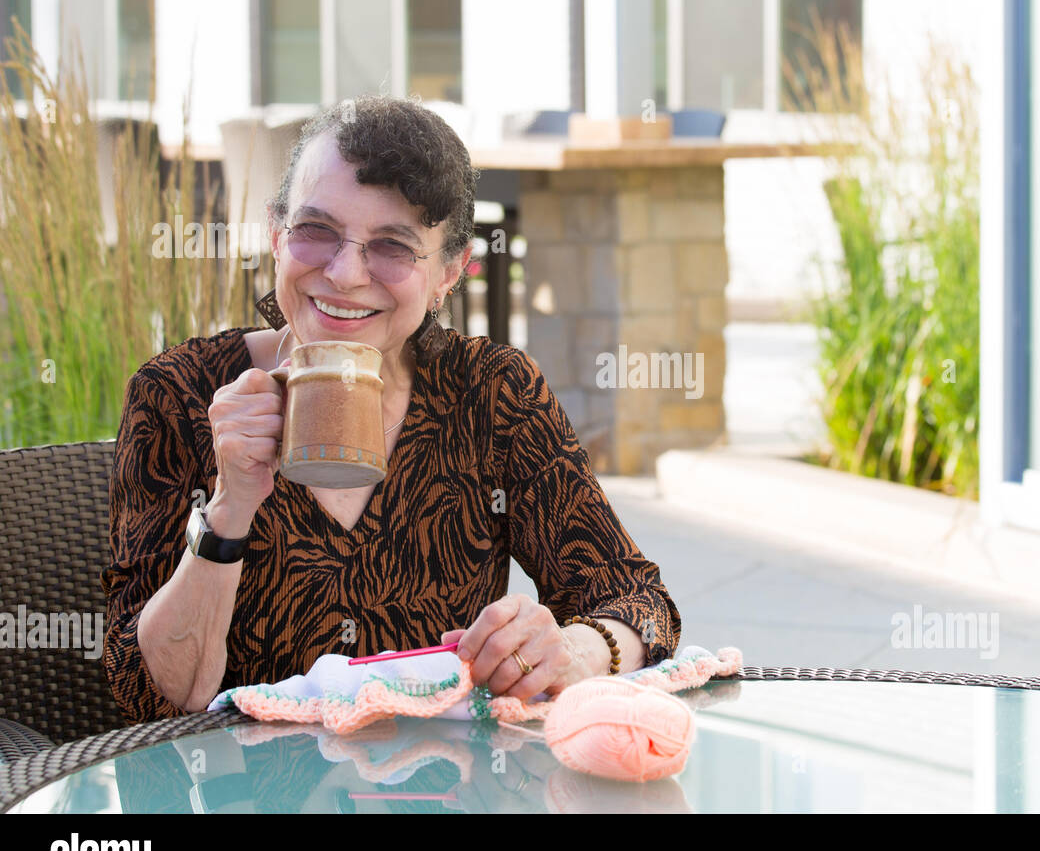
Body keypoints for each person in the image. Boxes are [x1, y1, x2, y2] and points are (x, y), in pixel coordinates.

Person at [101, 96, 680, 724]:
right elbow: (152, 697)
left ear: (451, 272)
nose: (346, 272)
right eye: (315, 230)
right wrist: (229, 508)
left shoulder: (491, 395)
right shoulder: (179, 394)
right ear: (276, 236)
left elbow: (638, 601)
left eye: (393, 247)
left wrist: (572, 650)